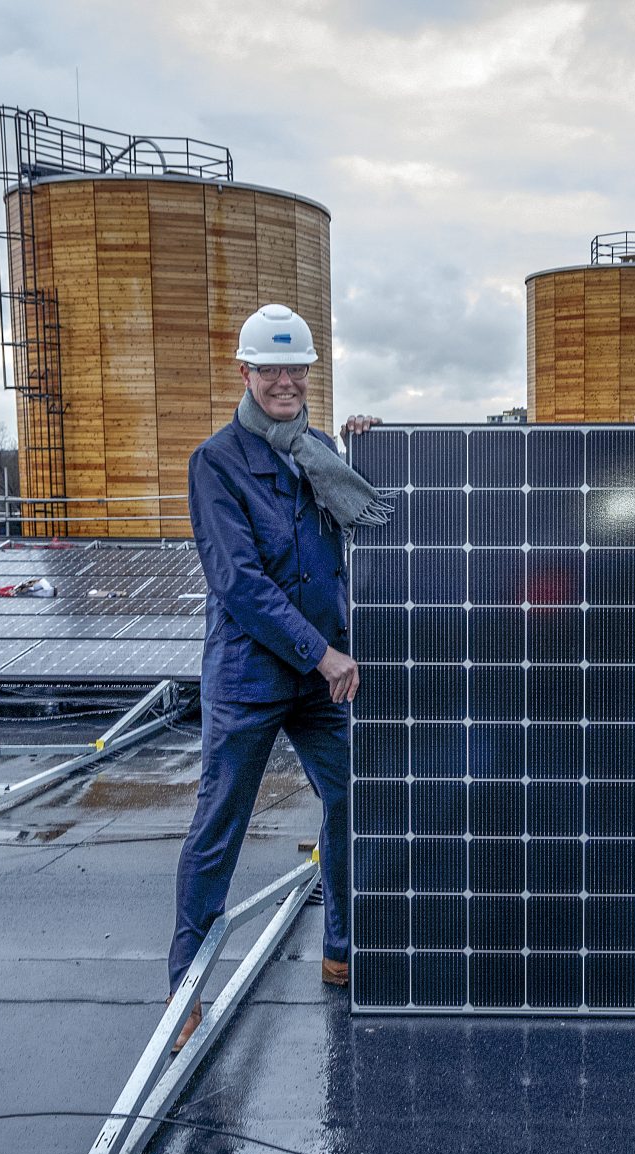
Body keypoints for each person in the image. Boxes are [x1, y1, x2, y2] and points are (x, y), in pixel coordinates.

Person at [167, 303, 386, 1052]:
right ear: (246, 373)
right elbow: (240, 581)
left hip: (325, 676)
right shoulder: (216, 462)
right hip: (252, 675)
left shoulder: (320, 450)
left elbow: (379, 524)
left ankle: (343, 948)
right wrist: (321, 653)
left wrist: (377, 451)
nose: (287, 381)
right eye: (272, 369)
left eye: (298, 369)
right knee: (219, 823)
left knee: (354, 802)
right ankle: (186, 986)